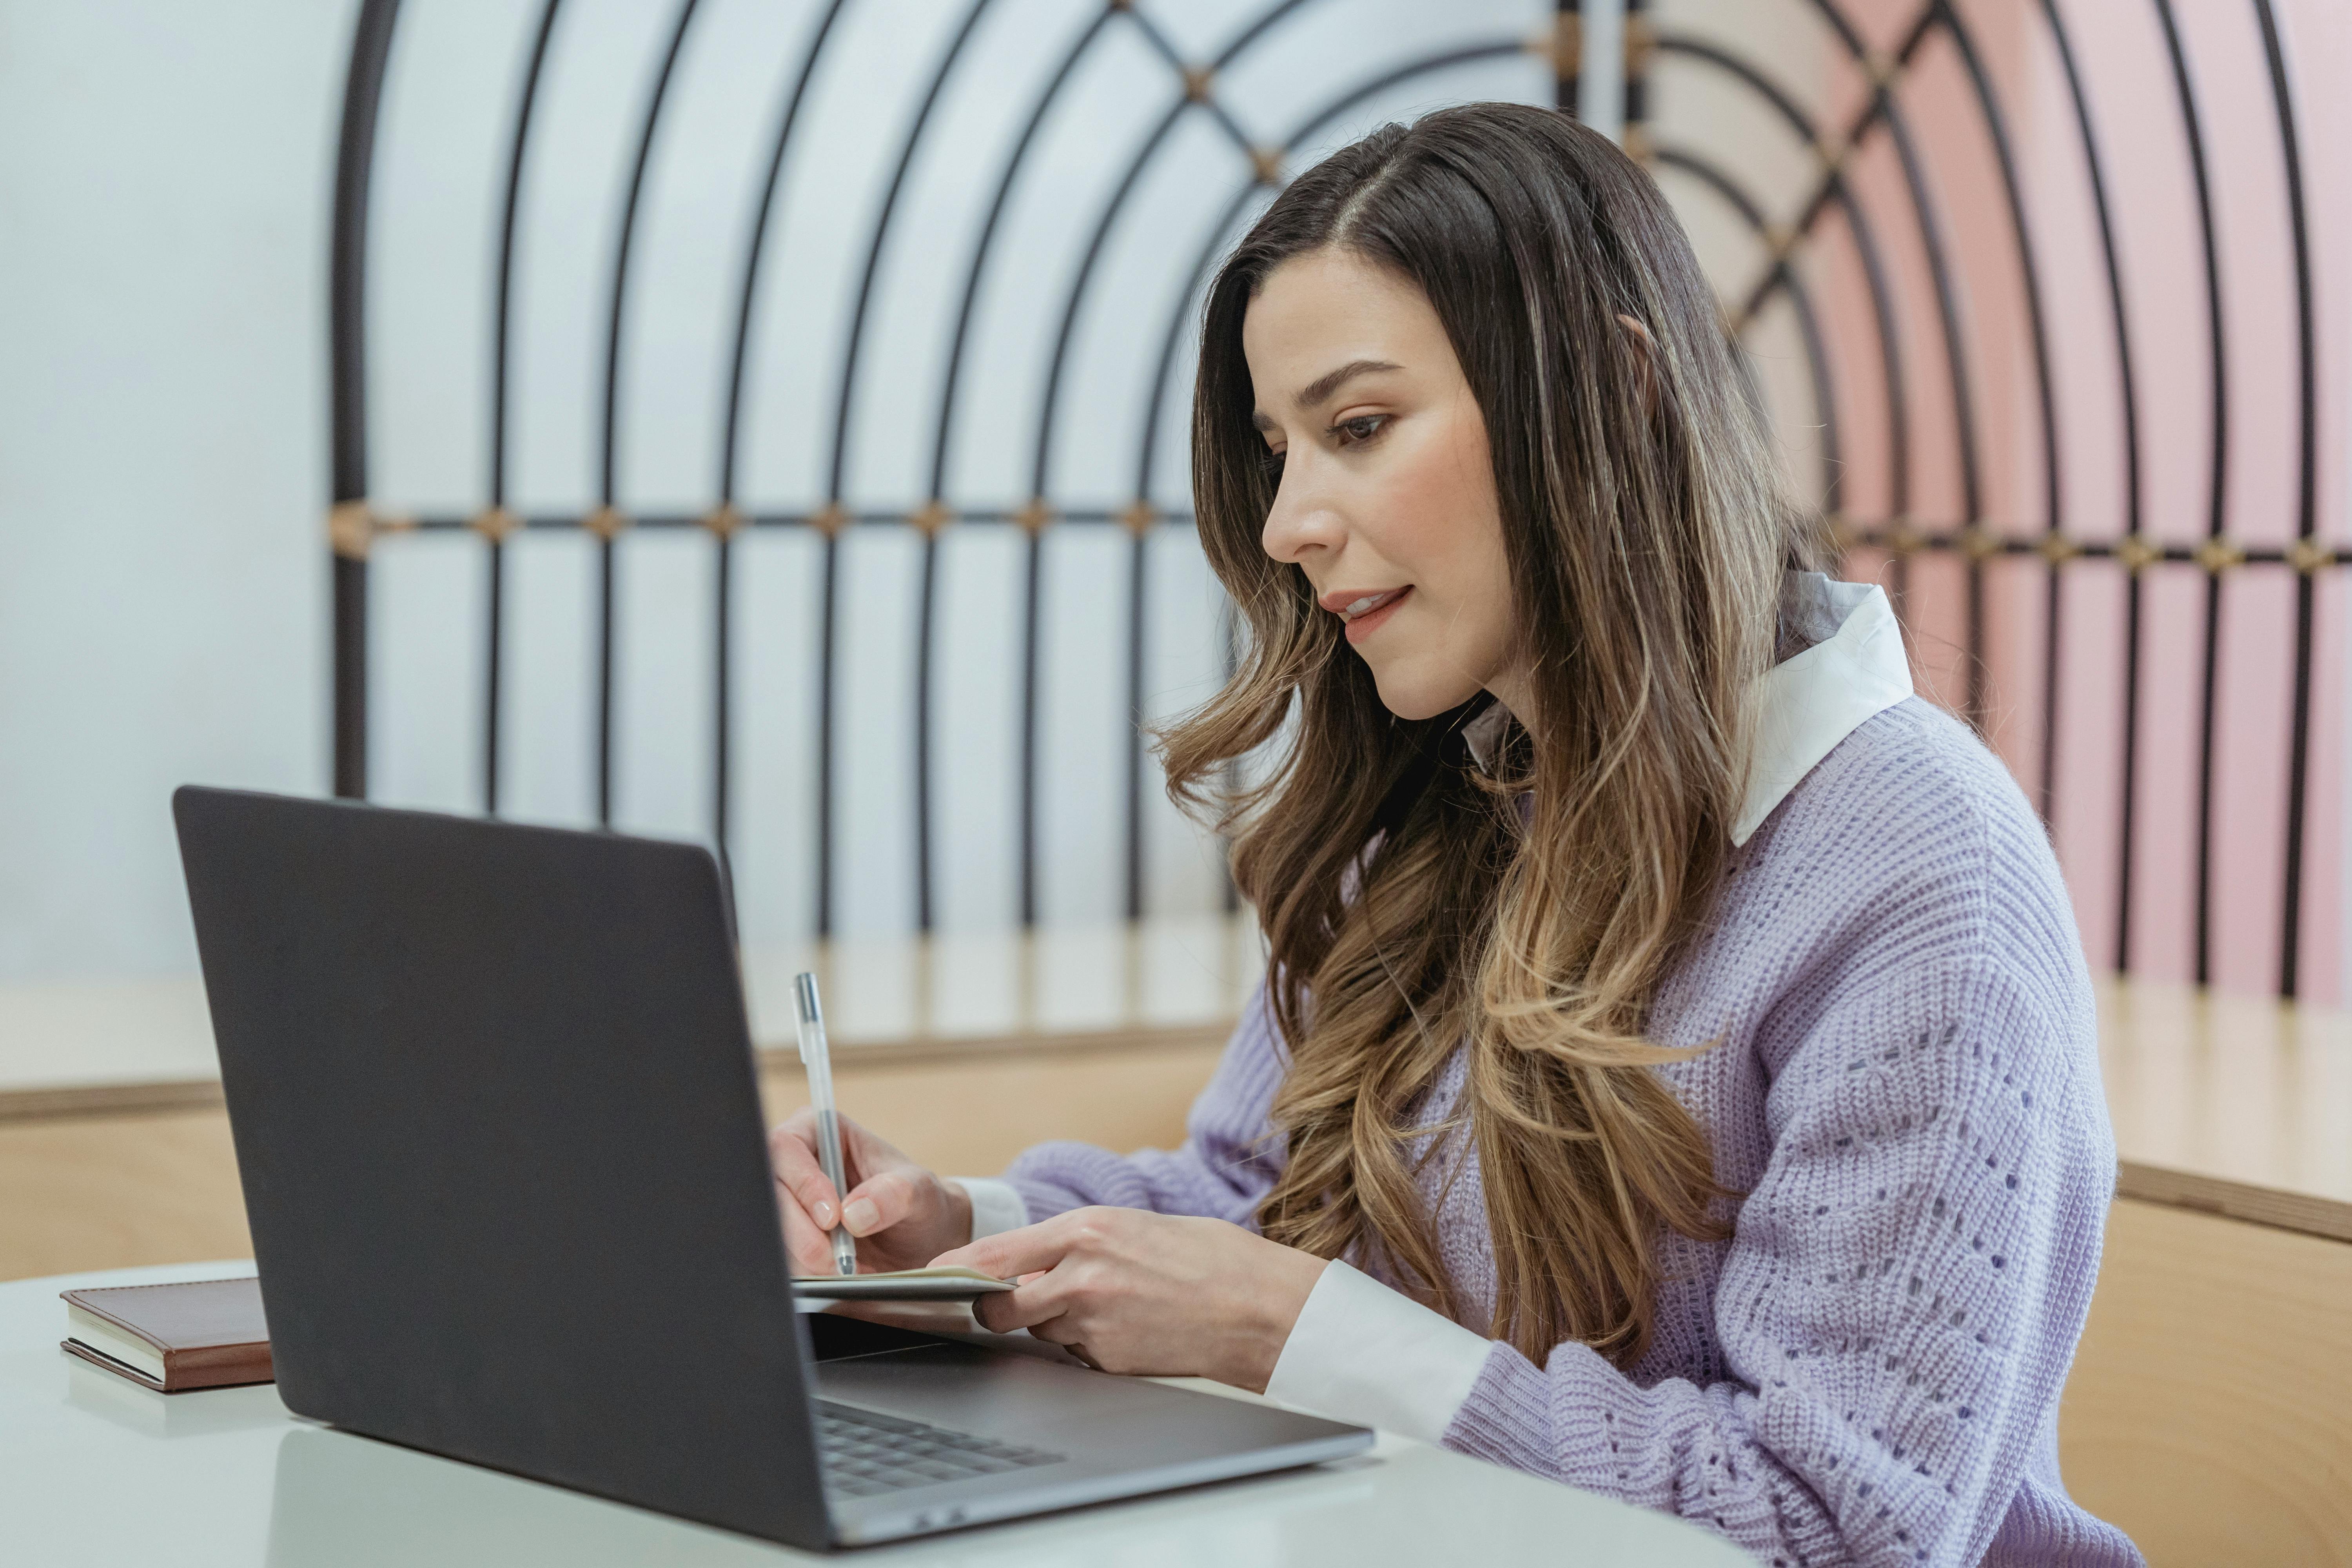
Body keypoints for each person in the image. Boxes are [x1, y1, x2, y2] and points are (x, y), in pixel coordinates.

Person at [770, 103, 2137, 1566]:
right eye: (1278, 451)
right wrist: (956, 1239)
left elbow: (1828, 1533)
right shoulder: (1443, 795)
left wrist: (1297, 1336)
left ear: (1610, 388)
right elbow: (1264, 1206)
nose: (1291, 520)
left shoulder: (1922, 876)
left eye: (1359, 428)